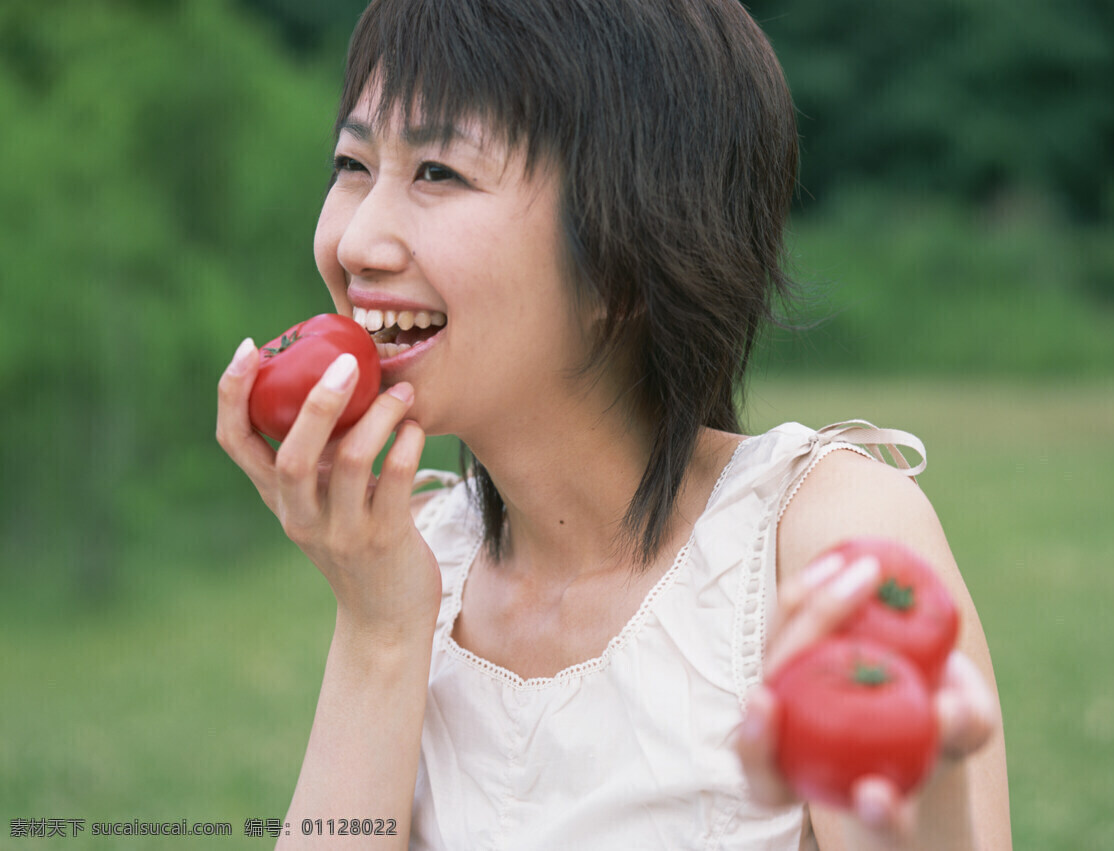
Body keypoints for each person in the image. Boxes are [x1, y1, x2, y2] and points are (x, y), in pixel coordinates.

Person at [216, 0, 1010, 847]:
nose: (355, 241)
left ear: (625, 259)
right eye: (352, 163)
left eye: (438, 172)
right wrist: (378, 629)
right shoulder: (415, 561)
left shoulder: (822, 546)